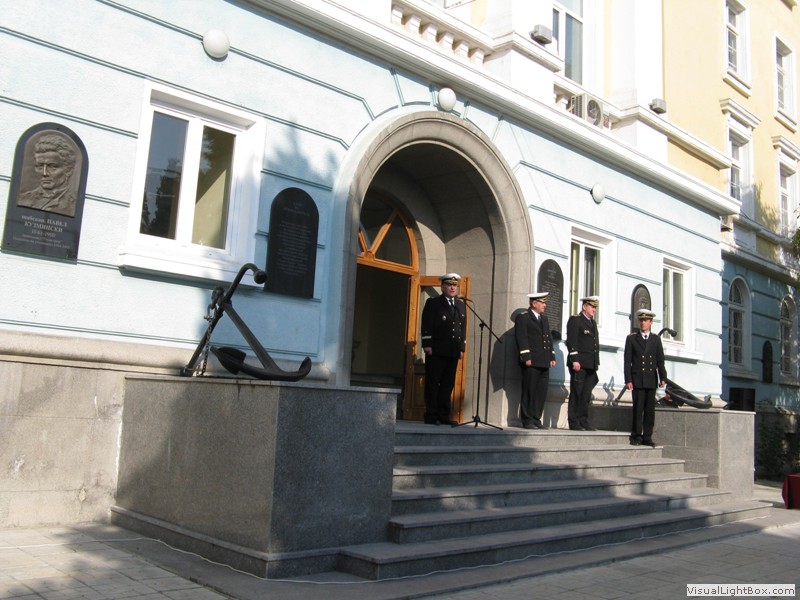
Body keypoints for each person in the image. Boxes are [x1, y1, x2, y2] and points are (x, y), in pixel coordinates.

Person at [421, 273, 467, 425]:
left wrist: (461, 348)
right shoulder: (434, 303)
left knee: (448, 384)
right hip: (436, 350)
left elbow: (462, 328)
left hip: (453, 351)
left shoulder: (460, 305)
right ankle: (431, 415)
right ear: (442, 287)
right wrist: (427, 344)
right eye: (449, 285)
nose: (452, 288)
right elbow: (427, 324)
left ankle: (443, 415)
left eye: (455, 285)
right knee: (433, 383)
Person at [624, 309, 667, 447]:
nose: (643, 323)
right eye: (641, 320)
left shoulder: (656, 339)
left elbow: (660, 360)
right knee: (638, 409)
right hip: (637, 379)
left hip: (651, 380)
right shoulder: (632, 338)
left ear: (651, 322)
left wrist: (663, 377)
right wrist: (628, 380)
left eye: (646, 320)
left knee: (649, 411)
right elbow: (627, 361)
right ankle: (636, 436)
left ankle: (647, 437)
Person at [514, 291, 556, 429]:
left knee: (540, 392)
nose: (545, 305)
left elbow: (548, 338)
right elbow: (522, 338)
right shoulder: (524, 317)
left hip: (544, 360)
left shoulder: (544, 319)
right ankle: (527, 420)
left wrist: (551, 356)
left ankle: (536, 418)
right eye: (542, 302)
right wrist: (526, 356)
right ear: (534, 303)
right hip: (532, 360)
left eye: (545, 302)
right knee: (529, 390)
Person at [17, 134, 78, 217]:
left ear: (68, 170)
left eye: (52, 166)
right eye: (39, 166)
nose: (44, 173)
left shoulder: (73, 204)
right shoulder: (23, 199)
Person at [566, 296, 600, 431]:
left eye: (595, 307)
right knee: (577, 392)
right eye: (592, 307)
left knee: (586, 394)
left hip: (590, 364)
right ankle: (573, 421)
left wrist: (595, 363)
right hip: (579, 364)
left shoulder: (592, 323)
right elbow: (572, 340)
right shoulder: (576, 320)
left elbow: (594, 344)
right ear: (584, 307)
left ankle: (583, 420)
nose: (594, 310)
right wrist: (575, 359)